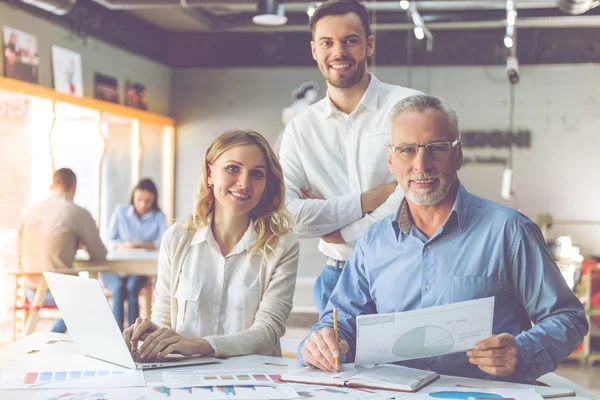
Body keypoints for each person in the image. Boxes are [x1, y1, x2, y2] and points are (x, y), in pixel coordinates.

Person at [298, 94, 588, 383]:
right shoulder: (373, 244)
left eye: (436, 149)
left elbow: (568, 317)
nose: (421, 165)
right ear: (391, 159)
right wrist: (321, 343)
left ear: (458, 155)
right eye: (407, 150)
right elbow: (341, 322)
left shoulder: (509, 231)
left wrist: (522, 352)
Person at [278, 0, 421, 314]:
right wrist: (367, 200)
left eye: (350, 40)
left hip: (405, 272)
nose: (338, 51)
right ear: (315, 50)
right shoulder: (300, 131)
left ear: (369, 45)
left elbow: (418, 196)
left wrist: (338, 230)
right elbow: (289, 216)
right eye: (327, 42)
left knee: (411, 365)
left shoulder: (411, 108)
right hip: (337, 279)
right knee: (335, 364)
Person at [123, 130, 299, 359]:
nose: (244, 183)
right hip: (184, 377)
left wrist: (200, 345)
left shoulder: (282, 245)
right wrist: (152, 335)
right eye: (233, 168)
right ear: (209, 173)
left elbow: (267, 332)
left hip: (253, 380)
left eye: (257, 174)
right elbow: (163, 318)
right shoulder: (176, 238)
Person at [17, 168, 107, 333]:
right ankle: (55, 335)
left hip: (29, 288)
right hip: (61, 292)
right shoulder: (76, 212)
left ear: (52, 185)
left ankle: (53, 336)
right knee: (93, 297)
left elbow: (20, 253)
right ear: (73, 188)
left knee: (81, 298)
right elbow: (100, 254)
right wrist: (83, 245)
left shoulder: (28, 211)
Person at [102, 178, 168, 331]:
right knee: (118, 289)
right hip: (116, 268)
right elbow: (110, 241)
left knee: (132, 289)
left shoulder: (159, 216)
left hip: (140, 269)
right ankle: (116, 334)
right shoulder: (120, 211)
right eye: (139, 199)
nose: (143, 205)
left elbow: (164, 242)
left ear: (154, 200)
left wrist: (140, 245)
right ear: (133, 197)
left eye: (148, 201)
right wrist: (124, 246)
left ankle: (134, 334)